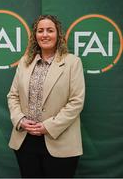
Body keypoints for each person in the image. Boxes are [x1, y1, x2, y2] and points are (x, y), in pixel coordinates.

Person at [7, 14, 85, 178]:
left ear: (58, 35)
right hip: (25, 141)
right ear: (35, 36)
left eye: (50, 30)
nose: (45, 35)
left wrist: (48, 127)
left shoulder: (72, 62)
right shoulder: (24, 62)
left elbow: (76, 102)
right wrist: (20, 119)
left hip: (60, 141)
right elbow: (13, 96)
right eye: (40, 31)